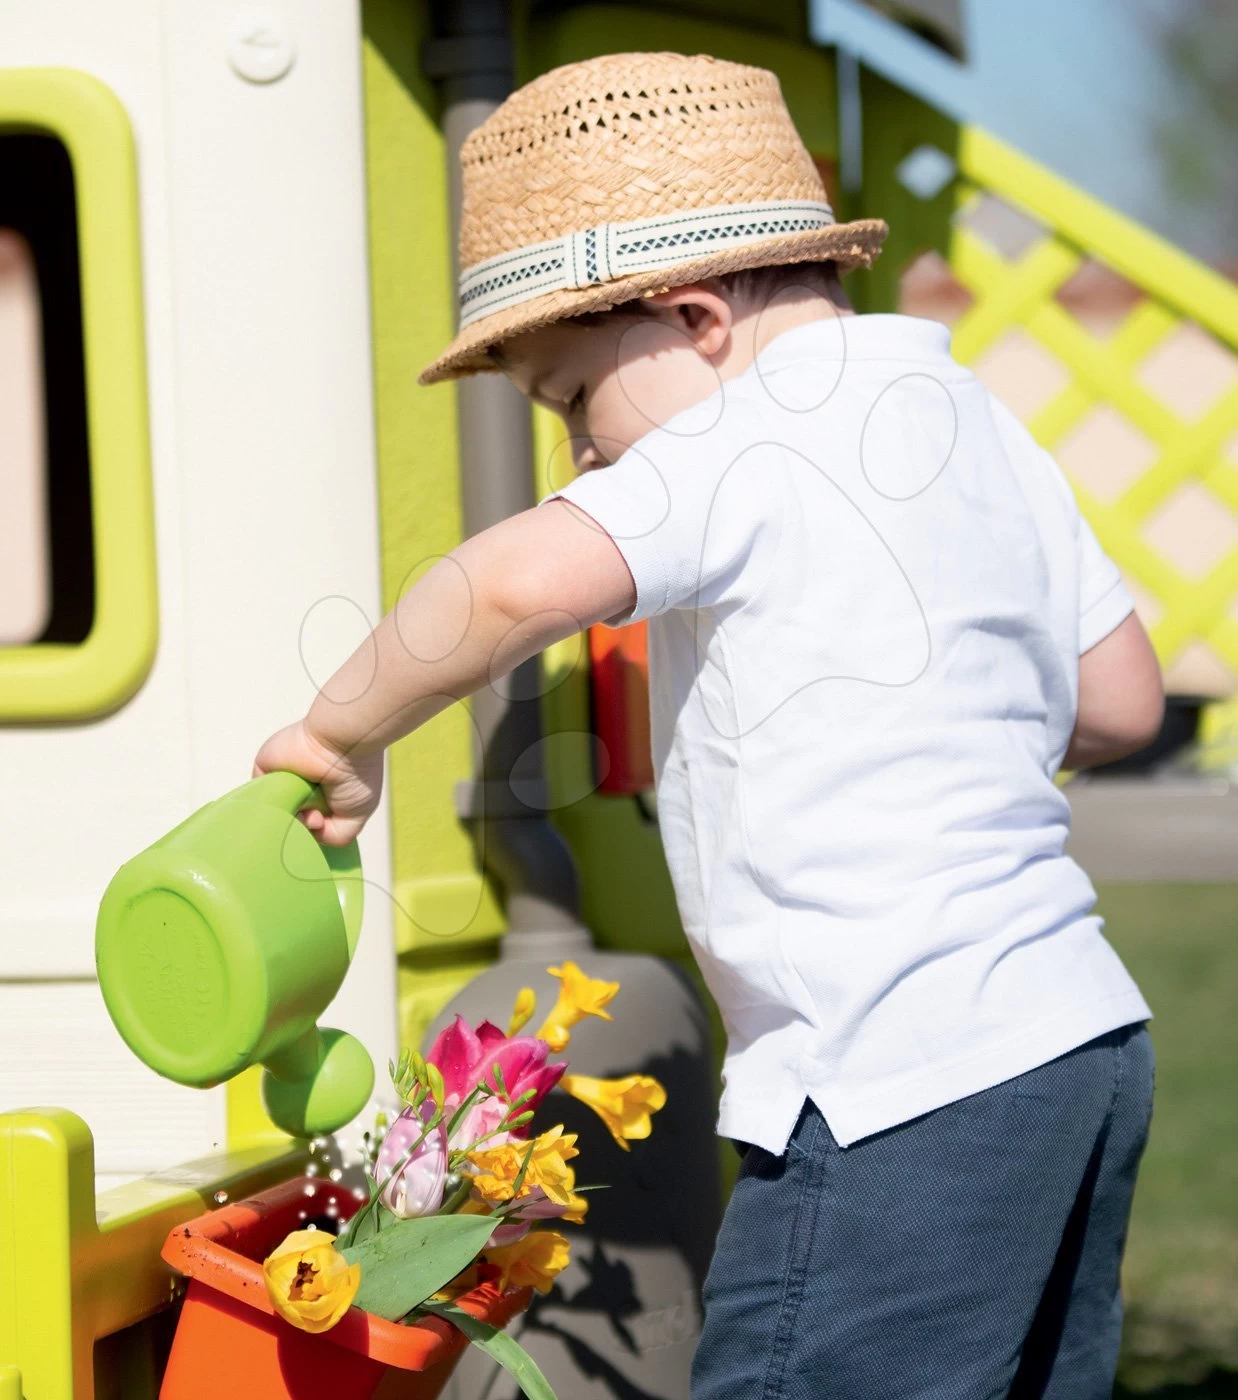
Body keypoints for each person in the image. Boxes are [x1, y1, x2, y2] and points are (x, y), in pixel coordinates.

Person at [254, 51, 1164, 1398]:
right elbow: (1122, 698)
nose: (580, 454)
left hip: (892, 1075)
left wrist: (340, 736)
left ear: (693, 321)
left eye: (572, 399)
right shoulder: (977, 417)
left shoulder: (735, 438)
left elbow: (500, 587)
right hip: (1079, 1043)